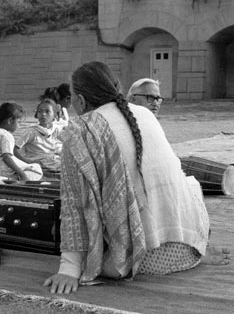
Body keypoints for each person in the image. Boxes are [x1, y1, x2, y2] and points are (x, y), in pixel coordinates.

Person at [44, 62, 229, 294]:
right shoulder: (144, 113)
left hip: (139, 261)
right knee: (188, 182)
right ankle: (200, 248)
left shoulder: (79, 131)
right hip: (189, 246)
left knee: (62, 223)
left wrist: (69, 269)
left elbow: (74, 207)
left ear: (80, 100)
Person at [0, 102, 42, 181]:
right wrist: (23, 175)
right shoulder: (6, 135)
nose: (19, 126)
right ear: (10, 121)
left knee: (28, 165)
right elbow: (7, 157)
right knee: (37, 169)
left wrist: (26, 162)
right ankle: (14, 180)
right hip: (1, 170)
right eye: (18, 122)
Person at [14, 99, 64, 172]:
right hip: (36, 163)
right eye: (40, 111)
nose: (43, 114)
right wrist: (26, 162)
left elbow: (69, 144)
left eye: (47, 111)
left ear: (55, 115)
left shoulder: (56, 130)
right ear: (37, 115)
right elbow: (14, 149)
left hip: (52, 162)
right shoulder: (31, 131)